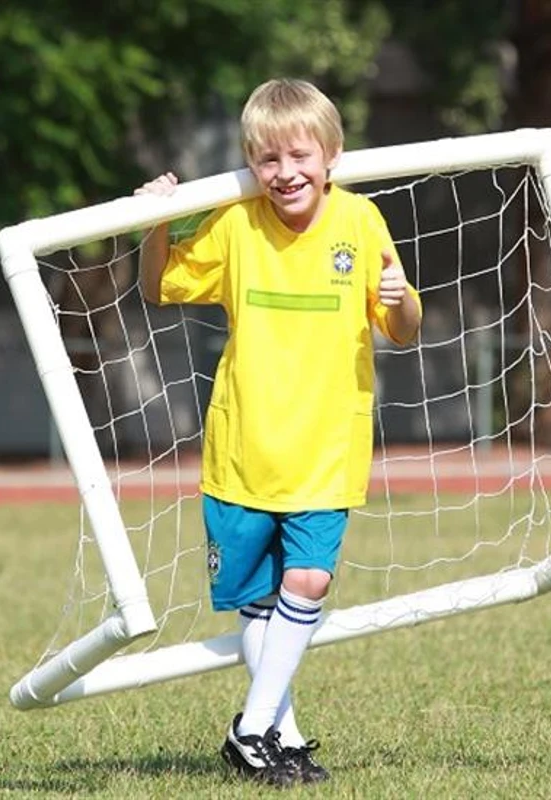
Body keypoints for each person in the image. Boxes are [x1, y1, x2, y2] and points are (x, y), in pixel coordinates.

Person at [135, 78, 422, 787]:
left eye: (299, 155)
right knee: (256, 606)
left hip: (328, 447)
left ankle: (248, 729)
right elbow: (156, 286)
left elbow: (404, 329)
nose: (285, 172)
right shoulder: (235, 225)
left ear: (331, 156)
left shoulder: (361, 222)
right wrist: (155, 222)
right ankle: (277, 738)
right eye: (268, 160)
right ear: (251, 164)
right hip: (243, 452)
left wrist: (401, 299)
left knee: (312, 578)